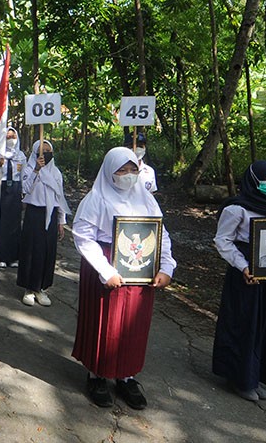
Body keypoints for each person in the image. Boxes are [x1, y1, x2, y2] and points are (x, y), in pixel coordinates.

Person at [71, 147, 176, 410]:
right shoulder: (96, 199)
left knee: (133, 326)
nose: (128, 175)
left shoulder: (147, 200)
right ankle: (97, 375)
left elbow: (160, 234)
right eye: (122, 170)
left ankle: (127, 377)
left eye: (133, 170)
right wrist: (105, 270)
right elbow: (83, 236)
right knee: (105, 325)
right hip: (107, 267)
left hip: (141, 269)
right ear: (109, 171)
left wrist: (166, 267)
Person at [212, 160, 266, 402]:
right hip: (245, 277)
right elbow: (223, 241)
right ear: (253, 180)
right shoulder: (236, 208)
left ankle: (257, 376)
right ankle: (239, 379)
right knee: (243, 324)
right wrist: (243, 267)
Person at [16, 140, 71, 307]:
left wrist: (61, 221)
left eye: (48, 150)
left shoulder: (56, 173)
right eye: (41, 151)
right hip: (34, 214)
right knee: (31, 250)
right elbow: (25, 189)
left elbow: (59, 198)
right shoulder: (28, 170)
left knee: (47, 251)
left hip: (51, 214)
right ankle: (29, 288)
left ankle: (41, 288)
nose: (45, 153)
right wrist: (36, 171)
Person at [0, 127, 26, 268]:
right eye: (8, 137)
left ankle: (13, 257)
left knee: (14, 223)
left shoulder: (20, 155)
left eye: (13, 136)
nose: (11, 139)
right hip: (0, 188)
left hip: (15, 190)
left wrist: (23, 196)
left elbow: (23, 177)